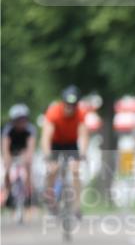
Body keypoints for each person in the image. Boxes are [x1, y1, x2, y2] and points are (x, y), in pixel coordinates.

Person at [41, 85, 89, 217]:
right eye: (68, 104)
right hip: (55, 143)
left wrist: (83, 153)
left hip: (71, 144)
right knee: (53, 170)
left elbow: (84, 135)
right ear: (63, 102)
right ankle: (50, 199)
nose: (70, 108)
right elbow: (46, 137)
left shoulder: (80, 114)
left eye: (73, 105)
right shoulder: (54, 112)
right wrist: (47, 155)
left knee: (75, 170)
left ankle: (76, 206)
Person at [3, 104, 37, 216]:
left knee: (28, 166)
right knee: (6, 169)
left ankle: (29, 193)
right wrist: (7, 159)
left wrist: (28, 157)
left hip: (23, 151)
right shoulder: (8, 130)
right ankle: (8, 191)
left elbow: (30, 146)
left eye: (23, 119)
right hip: (11, 152)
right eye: (18, 120)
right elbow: (5, 146)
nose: (21, 122)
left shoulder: (30, 129)